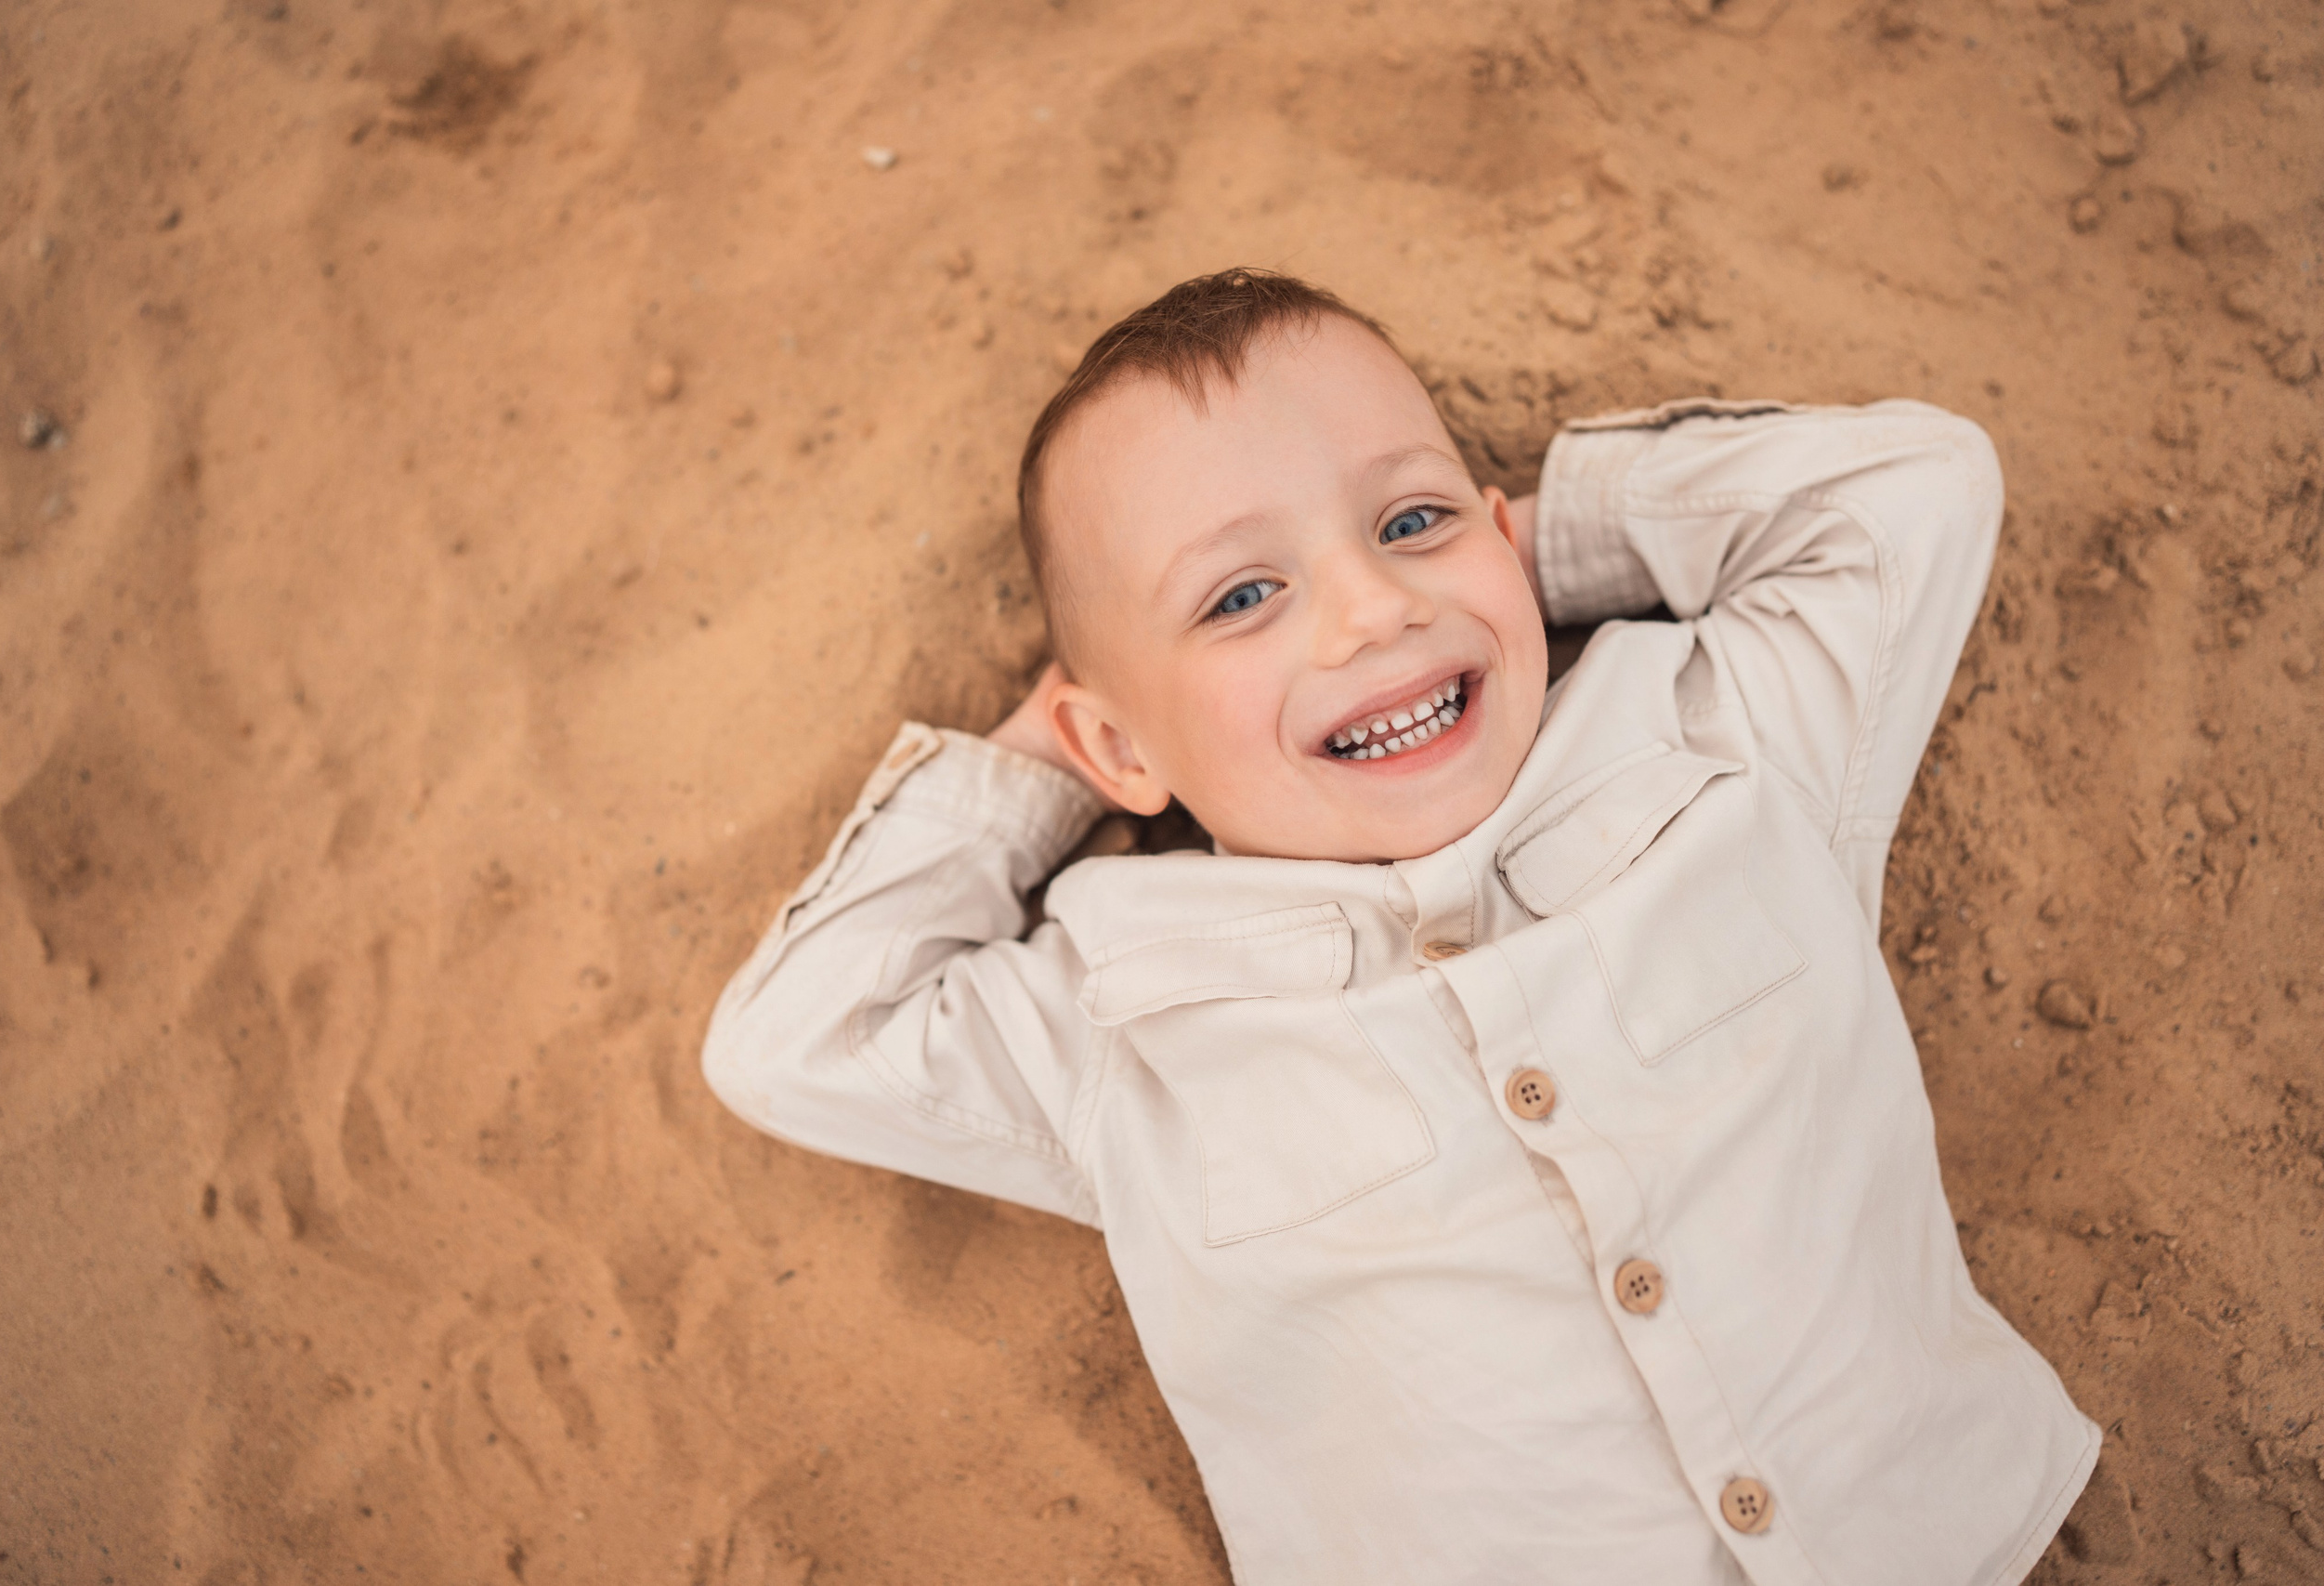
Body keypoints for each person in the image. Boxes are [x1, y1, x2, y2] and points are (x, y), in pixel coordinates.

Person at [701, 269, 2097, 1584]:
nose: (1376, 609)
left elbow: (1914, 490)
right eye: (1243, 596)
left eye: (1410, 521)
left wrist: (1532, 548)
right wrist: (1060, 760)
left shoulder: (1716, 737)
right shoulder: (1117, 1016)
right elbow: (800, 1034)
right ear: (1117, 741)